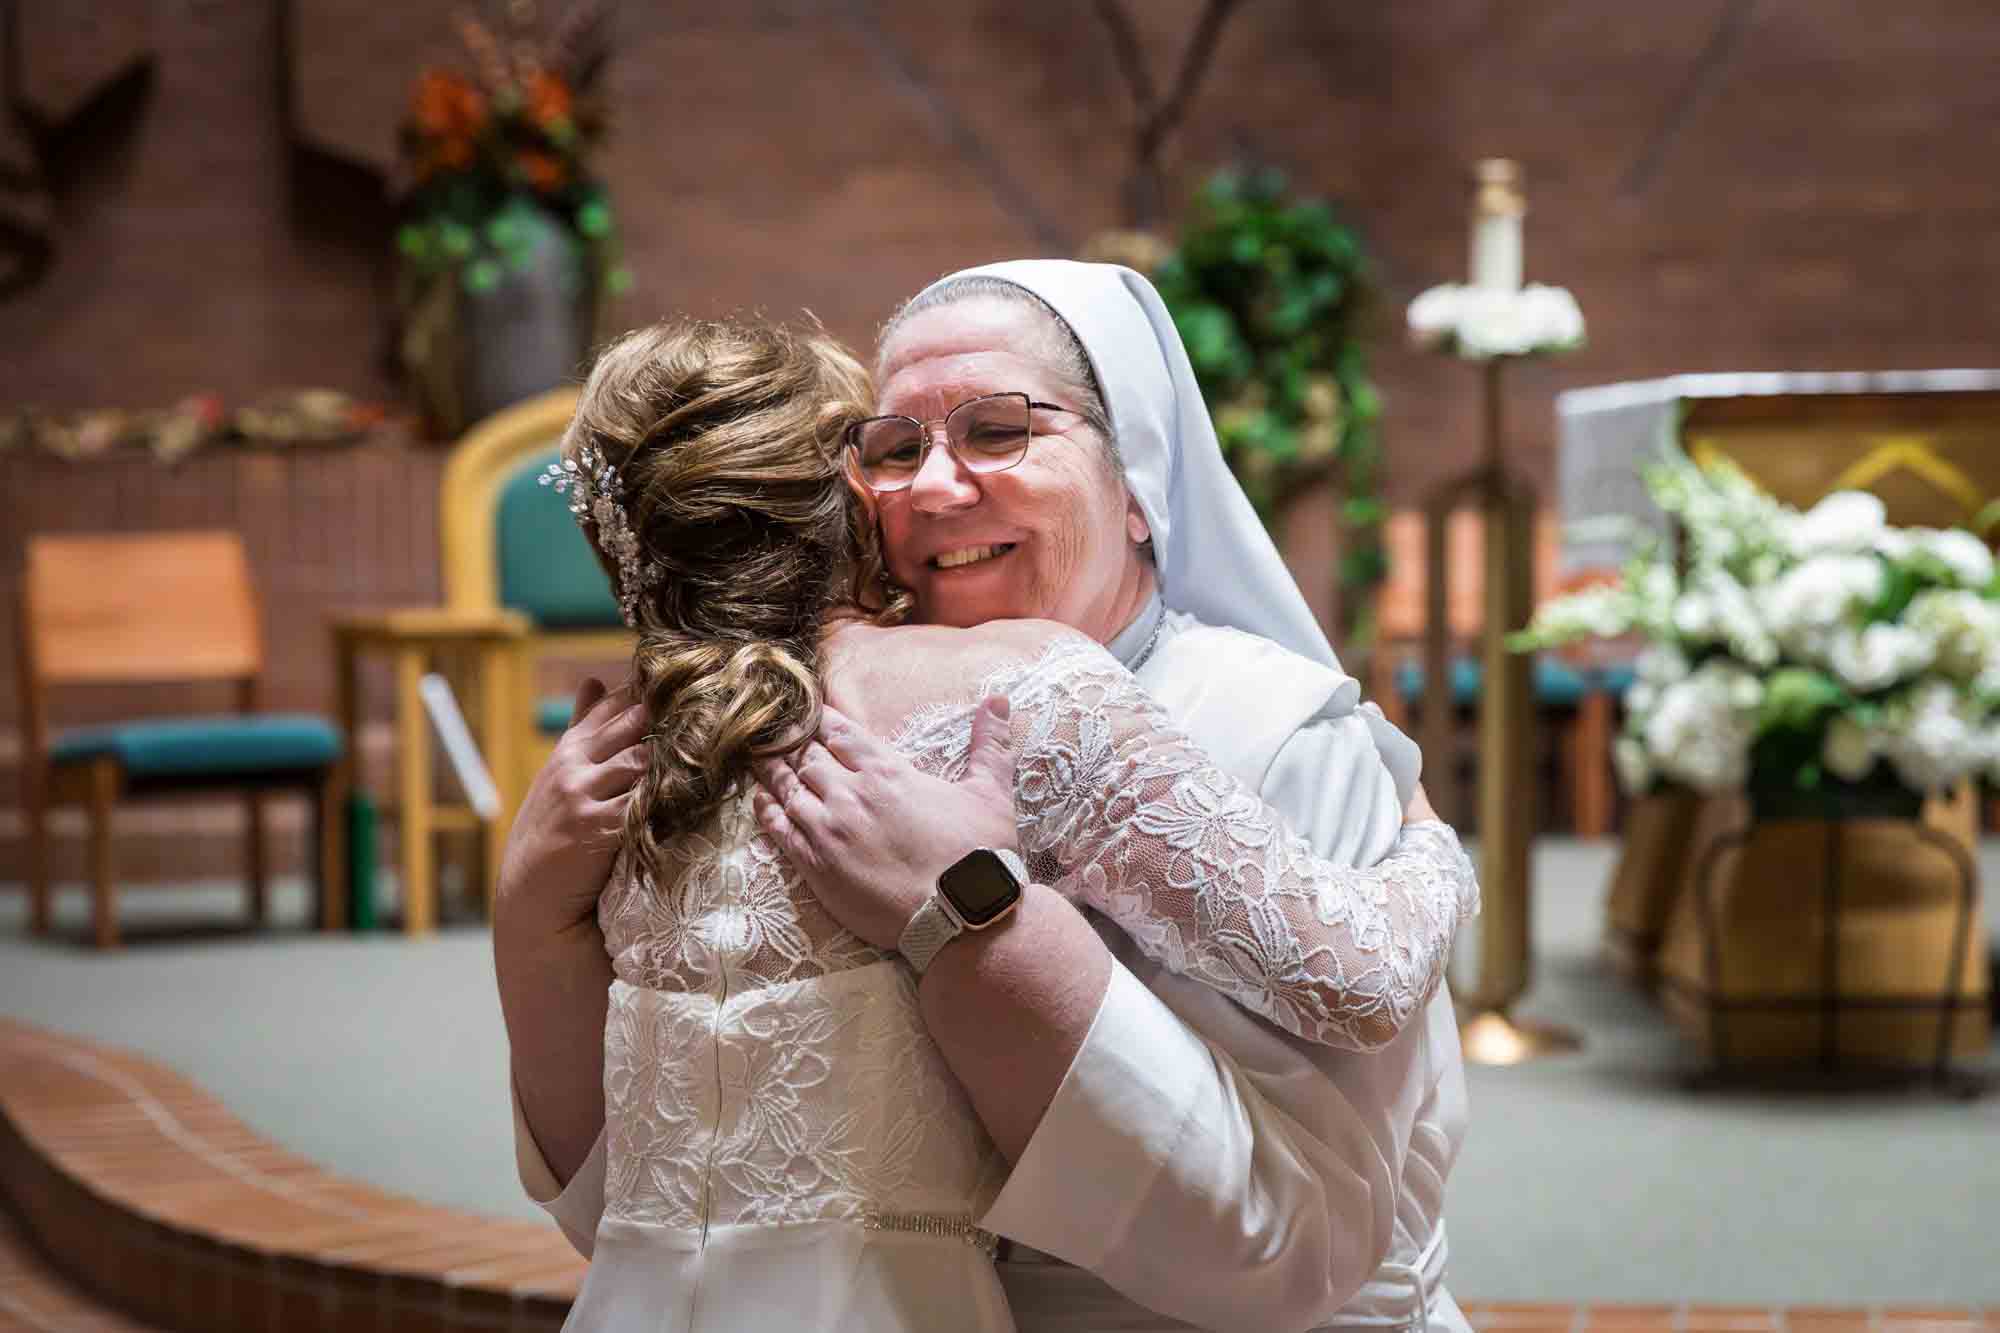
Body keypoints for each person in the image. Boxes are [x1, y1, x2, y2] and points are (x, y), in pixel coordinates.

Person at [496, 297, 1477, 1333]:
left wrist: (970, 918)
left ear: (1137, 482)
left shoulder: (1279, 723)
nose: (932, 482)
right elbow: (637, 1172)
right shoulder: (723, 740)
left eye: (998, 429)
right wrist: (1435, 842)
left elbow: (1310, 1231)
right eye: (891, 445)